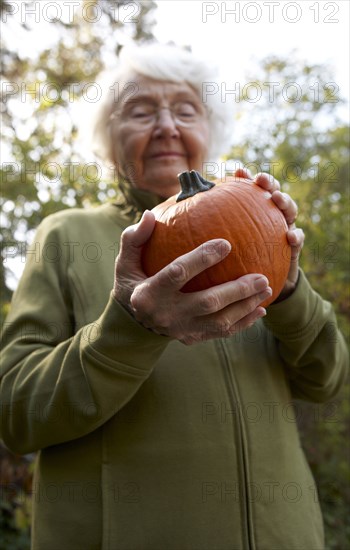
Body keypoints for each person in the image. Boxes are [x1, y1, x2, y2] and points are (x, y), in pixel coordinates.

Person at [0, 43, 348, 550]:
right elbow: (14, 413)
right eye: (141, 110)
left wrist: (290, 289)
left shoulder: (258, 229)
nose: (166, 125)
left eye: (186, 110)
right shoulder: (63, 236)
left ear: (209, 133)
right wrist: (129, 330)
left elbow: (329, 381)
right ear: (108, 136)